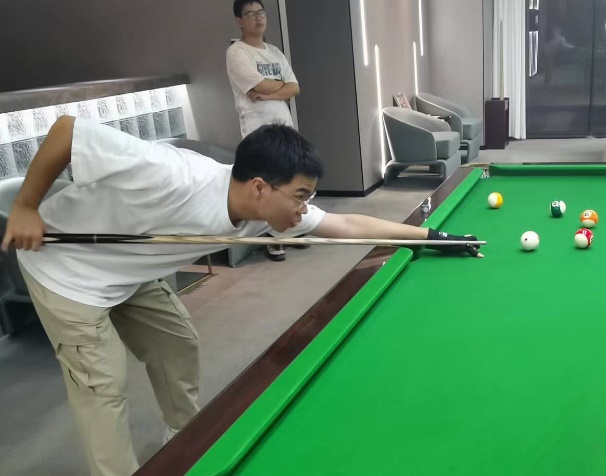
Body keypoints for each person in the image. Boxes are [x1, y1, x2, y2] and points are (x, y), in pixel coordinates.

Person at [1, 116, 481, 476]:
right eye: (301, 195)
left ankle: (185, 443)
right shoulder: (170, 172)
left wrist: (434, 237)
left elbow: (349, 225)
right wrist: (25, 206)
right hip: (67, 269)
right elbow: (68, 131)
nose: (305, 208)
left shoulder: (267, 209)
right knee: (102, 387)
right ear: (259, 187)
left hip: (130, 269)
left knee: (176, 343)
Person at [226, 0, 301, 261]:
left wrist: (270, 94)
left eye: (261, 12)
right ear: (239, 20)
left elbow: (294, 88)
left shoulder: (275, 51)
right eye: (250, 14)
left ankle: (290, 230)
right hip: (257, 126)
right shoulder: (237, 52)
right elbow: (261, 85)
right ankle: (270, 237)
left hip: (284, 124)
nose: (258, 18)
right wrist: (279, 87)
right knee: (266, 181)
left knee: (289, 176)